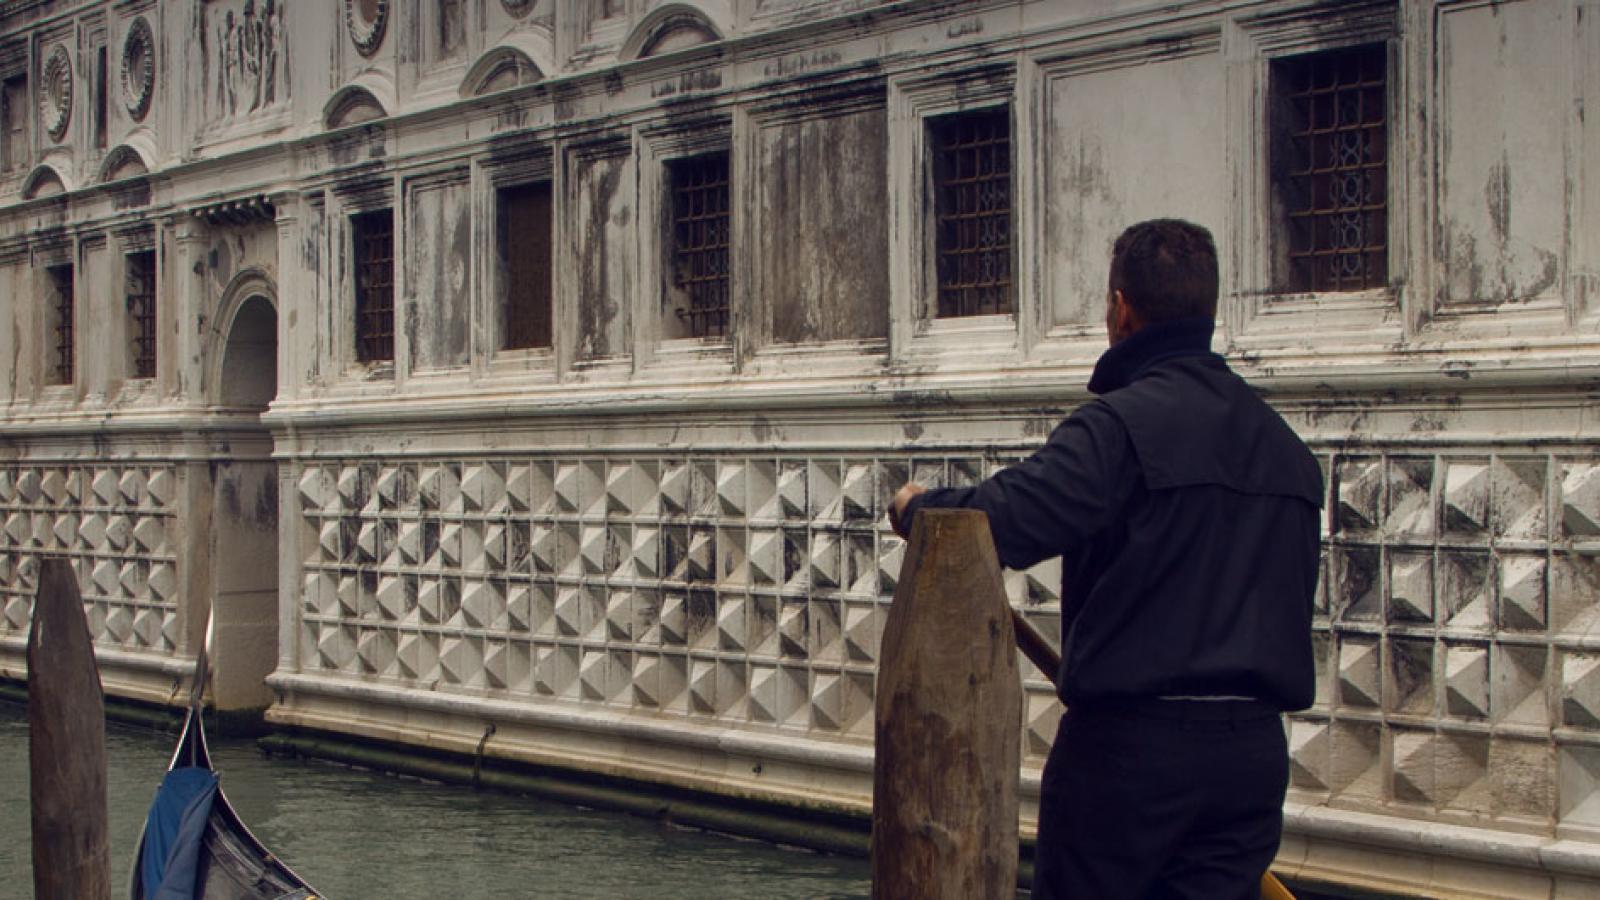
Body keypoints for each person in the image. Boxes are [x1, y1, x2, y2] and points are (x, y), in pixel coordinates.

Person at [890, 219, 1321, 900]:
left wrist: (915, 508)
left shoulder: (1119, 427)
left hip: (1132, 757)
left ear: (1121, 308)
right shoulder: (1287, 451)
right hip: (1250, 761)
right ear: (1208, 311)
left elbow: (997, 523)